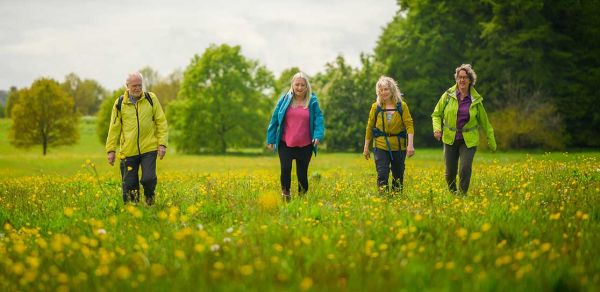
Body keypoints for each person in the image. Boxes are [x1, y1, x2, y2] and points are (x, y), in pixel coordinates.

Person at [431, 64, 496, 195]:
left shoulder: (476, 100)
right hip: (450, 138)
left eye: (465, 77)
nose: (462, 80)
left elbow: (485, 123)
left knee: (465, 169)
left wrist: (491, 140)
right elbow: (436, 114)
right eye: (459, 77)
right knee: (450, 173)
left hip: (469, 140)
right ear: (456, 79)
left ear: (470, 80)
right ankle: (453, 193)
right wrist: (437, 129)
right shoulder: (448, 96)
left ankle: (462, 196)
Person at [106, 72, 168, 205]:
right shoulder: (120, 103)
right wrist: (111, 150)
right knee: (129, 185)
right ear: (127, 86)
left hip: (149, 149)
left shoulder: (151, 99)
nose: (137, 88)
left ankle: (149, 201)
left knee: (149, 179)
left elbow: (161, 122)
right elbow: (114, 128)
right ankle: (132, 211)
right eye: (134, 86)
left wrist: (162, 144)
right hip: (128, 151)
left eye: (139, 85)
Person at [266, 72, 325, 201]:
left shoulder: (312, 101)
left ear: (307, 86)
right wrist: (270, 138)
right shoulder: (284, 99)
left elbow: (319, 120)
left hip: (305, 145)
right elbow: (275, 118)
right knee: (285, 169)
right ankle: (286, 195)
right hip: (285, 143)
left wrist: (317, 135)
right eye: (297, 84)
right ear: (292, 85)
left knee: (302, 174)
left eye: (302, 85)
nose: (299, 87)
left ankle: (302, 199)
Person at [363, 76, 415, 194]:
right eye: (380, 90)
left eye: (386, 89)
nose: (383, 92)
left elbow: (409, 125)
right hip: (380, 146)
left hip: (399, 146)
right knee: (382, 175)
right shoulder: (376, 107)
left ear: (392, 90)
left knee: (398, 176)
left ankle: (396, 201)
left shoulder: (402, 106)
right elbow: (370, 127)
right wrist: (366, 147)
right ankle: (383, 201)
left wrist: (410, 145)